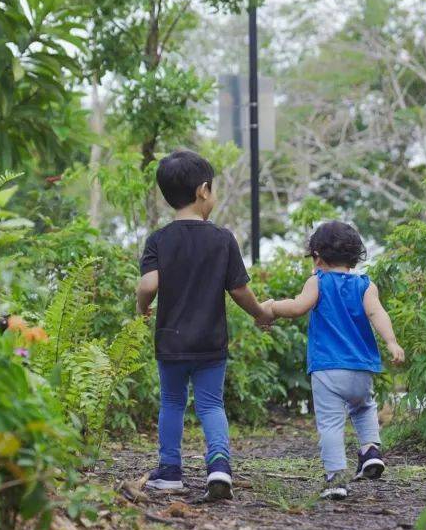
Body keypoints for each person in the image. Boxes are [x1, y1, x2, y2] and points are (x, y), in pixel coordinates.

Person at [136, 150, 274, 502]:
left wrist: (142, 308)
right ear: (203, 190)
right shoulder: (222, 238)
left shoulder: (158, 240)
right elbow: (240, 290)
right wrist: (259, 313)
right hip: (211, 341)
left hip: (171, 340)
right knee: (211, 404)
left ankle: (169, 470)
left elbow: (148, 285)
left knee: (171, 401)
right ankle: (219, 465)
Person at [262, 221, 404, 500]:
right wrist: (391, 342)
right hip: (361, 367)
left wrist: (272, 307)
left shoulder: (318, 281)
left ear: (317, 256)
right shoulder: (365, 285)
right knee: (363, 408)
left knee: (330, 424)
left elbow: (298, 306)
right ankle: (371, 450)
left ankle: (336, 477)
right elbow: (378, 314)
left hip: (328, 367)